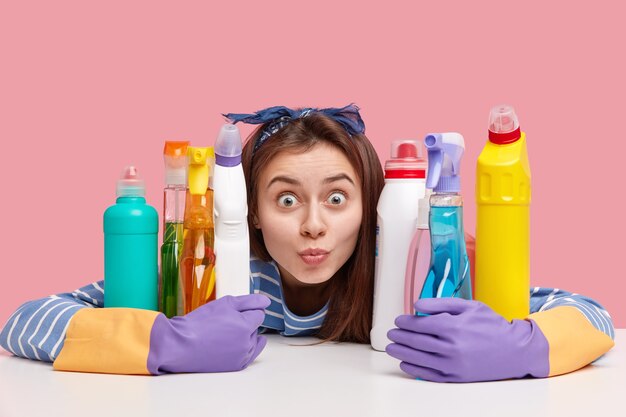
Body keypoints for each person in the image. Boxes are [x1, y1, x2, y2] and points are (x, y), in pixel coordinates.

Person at [0, 104, 615, 382]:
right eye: (287, 200)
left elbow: (594, 316)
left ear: (372, 208)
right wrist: (164, 340)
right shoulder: (218, 279)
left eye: (338, 199)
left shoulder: (415, 278)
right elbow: (24, 322)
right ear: (254, 216)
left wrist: (521, 347)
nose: (314, 226)